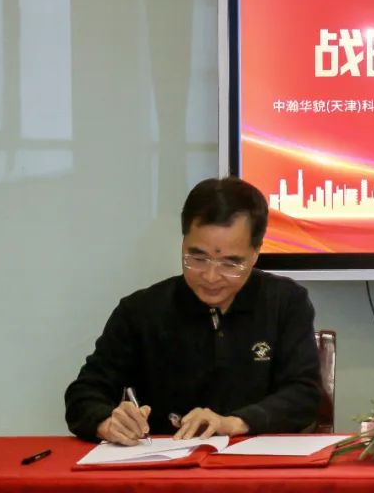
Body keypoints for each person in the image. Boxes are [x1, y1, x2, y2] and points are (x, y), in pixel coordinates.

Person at [65, 177, 322, 444]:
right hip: (164, 461)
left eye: (230, 263)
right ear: (183, 242)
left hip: (256, 461)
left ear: (255, 253)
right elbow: (84, 393)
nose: (211, 276)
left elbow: (304, 395)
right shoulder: (141, 311)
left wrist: (233, 423)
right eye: (197, 258)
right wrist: (107, 422)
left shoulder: (285, 302)